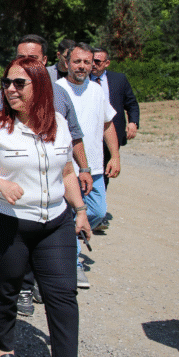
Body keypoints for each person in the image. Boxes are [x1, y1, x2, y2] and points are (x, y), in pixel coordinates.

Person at [0, 57, 94, 357]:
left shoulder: (59, 124)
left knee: (63, 293)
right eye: (6, 83)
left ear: (40, 87)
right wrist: (1, 183)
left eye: (18, 83)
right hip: (4, 221)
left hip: (55, 221)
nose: (9, 89)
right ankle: (4, 350)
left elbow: (67, 171)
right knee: (6, 288)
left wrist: (80, 211)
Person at [0, 35, 93, 316]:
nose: (24, 63)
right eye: (20, 56)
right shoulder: (4, 96)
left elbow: (76, 136)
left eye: (32, 58)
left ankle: (43, 285)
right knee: (19, 246)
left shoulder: (60, 95)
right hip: (16, 191)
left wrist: (84, 169)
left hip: (54, 186)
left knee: (49, 246)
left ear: (45, 61)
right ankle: (23, 288)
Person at [56, 43, 120, 288]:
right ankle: (73, 264)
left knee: (97, 212)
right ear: (66, 62)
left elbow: (107, 124)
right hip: (66, 168)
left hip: (94, 167)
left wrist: (115, 156)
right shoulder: (57, 89)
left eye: (87, 62)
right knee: (72, 212)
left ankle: (64, 246)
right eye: (77, 61)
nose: (82, 66)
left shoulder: (96, 90)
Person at [90, 47, 139, 191]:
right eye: (91, 61)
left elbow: (131, 103)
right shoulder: (82, 80)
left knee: (105, 170)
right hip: (90, 134)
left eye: (97, 61)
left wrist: (133, 122)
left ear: (107, 63)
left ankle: (98, 203)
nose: (93, 64)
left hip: (112, 133)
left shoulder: (119, 79)